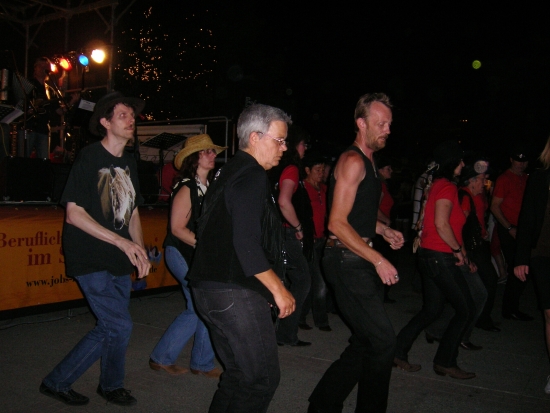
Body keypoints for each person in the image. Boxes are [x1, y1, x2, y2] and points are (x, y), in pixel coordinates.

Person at [39, 91, 151, 406]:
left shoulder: (129, 162)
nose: (131, 120)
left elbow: (133, 212)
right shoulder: (90, 157)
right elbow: (74, 214)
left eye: (132, 116)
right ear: (105, 122)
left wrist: (139, 249)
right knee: (119, 324)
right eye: (123, 115)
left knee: (112, 326)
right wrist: (122, 241)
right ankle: (63, 381)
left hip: (118, 257)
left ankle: (107, 385)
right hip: (89, 255)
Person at [188, 103, 295, 412]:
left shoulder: (228, 171)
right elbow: (246, 243)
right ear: (255, 137)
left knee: (238, 375)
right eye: (279, 140)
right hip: (233, 291)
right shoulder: (251, 174)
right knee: (261, 379)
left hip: (209, 288)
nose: (284, 148)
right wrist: (278, 289)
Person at [308, 93, 405, 413]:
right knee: (383, 341)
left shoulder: (368, 162)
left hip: (355, 257)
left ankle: (323, 404)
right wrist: (379, 259)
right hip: (347, 260)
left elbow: (355, 216)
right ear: (361, 123)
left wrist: (382, 230)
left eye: (389, 123)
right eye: (381, 123)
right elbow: (336, 223)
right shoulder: (352, 161)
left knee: (365, 341)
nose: (387, 129)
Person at [394, 140, 477, 380]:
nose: (463, 164)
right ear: (452, 162)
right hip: (439, 256)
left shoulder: (437, 185)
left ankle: (397, 351)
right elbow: (441, 224)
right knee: (466, 309)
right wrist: (458, 250)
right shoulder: (447, 187)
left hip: (430, 255)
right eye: (460, 160)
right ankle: (445, 361)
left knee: (432, 310)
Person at [148, 134, 226, 379]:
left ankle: (183, 360)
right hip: (181, 252)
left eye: (213, 151)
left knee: (201, 307)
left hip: (193, 254)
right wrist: (205, 246)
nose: (213, 155)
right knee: (201, 306)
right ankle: (193, 362)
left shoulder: (207, 188)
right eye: (207, 152)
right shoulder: (187, 187)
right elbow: (177, 229)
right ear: (194, 158)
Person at [514, 136, 550, 393]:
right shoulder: (539, 178)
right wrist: (521, 259)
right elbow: (527, 218)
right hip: (543, 254)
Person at [271, 125, 313, 346]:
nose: (305, 148)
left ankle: (281, 331)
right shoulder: (291, 169)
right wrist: (297, 227)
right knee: (302, 280)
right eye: (303, 144)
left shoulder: (276, 167)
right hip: (286, 233)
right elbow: (284, 201)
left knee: (282, 278)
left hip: (275, 231)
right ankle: (285, 333)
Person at [491, 144, 532, 321]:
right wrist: (509, 228)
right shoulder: (504, 179)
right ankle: (509, 309)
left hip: (523, 229)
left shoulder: (527, 178)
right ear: (511, 160)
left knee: (523, 269)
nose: (521, 164)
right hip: (509, 228)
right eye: (518, 160)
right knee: (517, 267)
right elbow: (495, 206)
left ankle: (511, 307)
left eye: (524, 161)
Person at [299, 154, 331, 331]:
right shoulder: (301, 188)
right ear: (307, 170)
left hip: (322, 240)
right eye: (317, 170)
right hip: (308, 241)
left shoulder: (324, 190)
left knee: (315, 279)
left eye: (323, 169)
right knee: (316, 281)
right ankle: (320, 320)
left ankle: (303, 317)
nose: (321, 173)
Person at [20, 57, 64, 158]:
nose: (43, 69)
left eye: (46, 67)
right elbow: (19, 102)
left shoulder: (50, 90)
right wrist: (27, 110)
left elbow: (59, 111)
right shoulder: (27, 84)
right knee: (23, 158)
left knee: (44, 159)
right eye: (41, 66)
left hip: (43, 129)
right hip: (28, 126)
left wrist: (72, 102)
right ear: (35, 68)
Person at [374, 153, 397, 304]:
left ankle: (382, 294)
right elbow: (374, 207)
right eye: (388, 168)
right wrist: (386, 220)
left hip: (381, 227)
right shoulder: (380, 185)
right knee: (386, 260)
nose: (391, 171)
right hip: (379, 229)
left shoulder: (383, 185)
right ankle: (380, 293)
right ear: (381, 170)